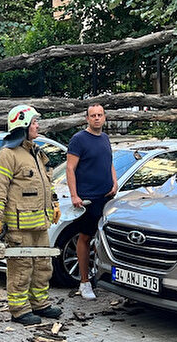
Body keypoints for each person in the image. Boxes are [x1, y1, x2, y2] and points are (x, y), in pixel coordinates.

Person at [0, 104, 63, 325]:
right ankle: (19, 310)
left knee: (43, 265)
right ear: (22, 125)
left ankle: (40, 304)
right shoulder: (8, 155)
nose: (38, 126)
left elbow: (46, 184)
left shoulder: (36, 153)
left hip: (41, 223)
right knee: (21, 268)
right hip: (19, 225)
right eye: (34, 122)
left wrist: (55, 204)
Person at [66, 104, 117, 300]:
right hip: (87, 199)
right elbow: (70, 168)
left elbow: (109, 161)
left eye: (100, 115)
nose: (96, 118)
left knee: (103, 239)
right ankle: (84, 282)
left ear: (105, 117)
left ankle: (102, 277)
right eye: (93, 115)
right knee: (85, 238)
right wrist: (74, 195)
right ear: (87, 119)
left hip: (106, 197)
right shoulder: (79, 140)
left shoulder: (105, 138)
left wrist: (114, 180)